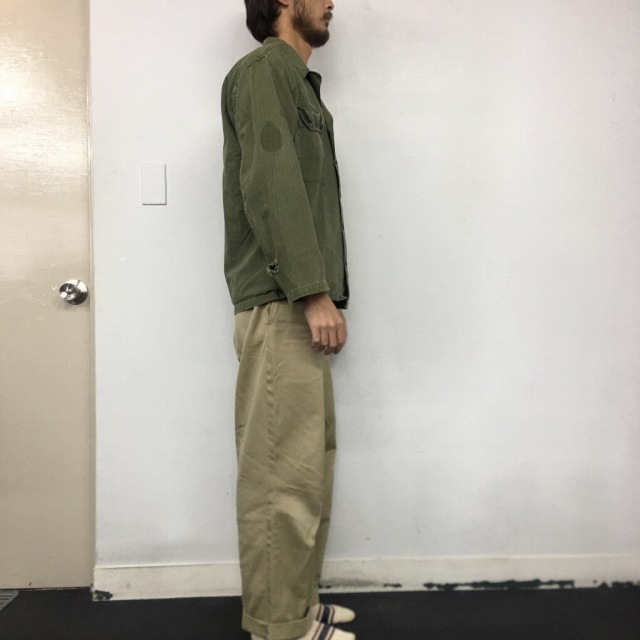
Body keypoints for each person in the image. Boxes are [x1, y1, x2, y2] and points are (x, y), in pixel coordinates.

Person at [221, 1, 354, 639]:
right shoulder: (263, 72)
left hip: (294, 300)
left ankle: (296, 605)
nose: (333, 2)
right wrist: (312, 293)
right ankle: (280, 626)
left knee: (307, 467)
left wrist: (318, 293)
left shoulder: (294, 81)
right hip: (283, 303)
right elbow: (271, 184)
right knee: (281, 478)